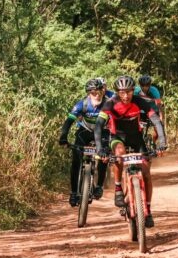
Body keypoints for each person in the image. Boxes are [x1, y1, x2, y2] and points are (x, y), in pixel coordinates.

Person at [94, 75, 167, 227]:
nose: (126, 96)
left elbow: (156, 122)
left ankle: (147, 210)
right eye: (122, 92)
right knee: (119, 154)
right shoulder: (110, 103)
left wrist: (162, 142)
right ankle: (119, 188)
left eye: (128, 92)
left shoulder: (141, 102)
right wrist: (100, 149)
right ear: (117, 93)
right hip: (117, 137)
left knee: (146, 172)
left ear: (134, 91)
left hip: (136, 138)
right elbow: (99, 126)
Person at [59, 79, 109, 207]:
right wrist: (63, 137)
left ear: (102, 91)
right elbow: (69, 121)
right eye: (93, 93)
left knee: (104, 157)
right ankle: (74, 192)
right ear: (88, 93)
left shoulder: (108, 104)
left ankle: (99, 186)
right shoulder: (82, 104)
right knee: (76, 159)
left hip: (103, 132)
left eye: (98, 92)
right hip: (85, 131)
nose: (96, 95)